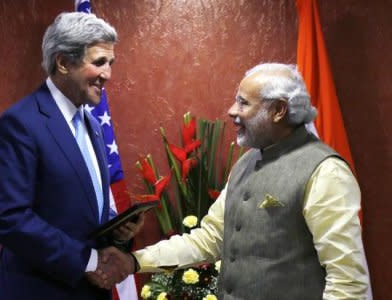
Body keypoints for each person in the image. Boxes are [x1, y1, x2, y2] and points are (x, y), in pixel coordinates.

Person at [116, 63, 371, 299]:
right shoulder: (244, 163)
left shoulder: (326, 171)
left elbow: (347, 283)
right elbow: (209, 239)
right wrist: (134, 261)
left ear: (278, 110)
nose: (232, 111)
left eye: (243, 103)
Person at [0, 12, 142, 300]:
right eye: (99, 62)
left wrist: (117, 233)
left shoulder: (93, 126)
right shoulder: (20, 123)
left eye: (110, 63)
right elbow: (7, 218)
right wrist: (89, 261)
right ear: (63, 62)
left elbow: (84, 209)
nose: (108, 74)